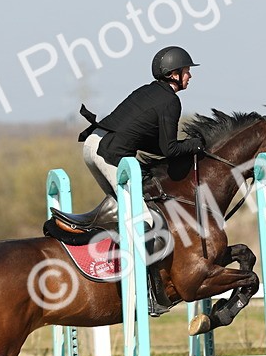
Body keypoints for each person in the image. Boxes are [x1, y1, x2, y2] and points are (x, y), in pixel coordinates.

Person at [60, 46, 204, 229]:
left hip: (93, 145)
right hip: (108, 153)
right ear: (174, 74)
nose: (190, 76)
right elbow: (170, 149)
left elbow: (154, 144)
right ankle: (129, 257)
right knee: (144, 222)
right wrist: (195, 145)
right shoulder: (170, 101)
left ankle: (106, 252)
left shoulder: (147, 91)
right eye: (187, 71)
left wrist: (185, 145)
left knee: (120, 210)